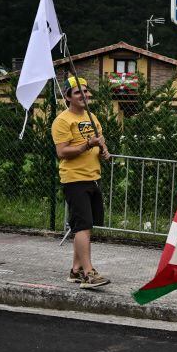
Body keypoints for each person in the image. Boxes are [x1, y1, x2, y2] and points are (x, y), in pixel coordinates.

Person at [51, 77, 111, 289]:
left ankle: (75, 270)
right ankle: (88, 274)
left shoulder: (92, 117)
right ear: (68, 97)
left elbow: (100, 141)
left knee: (86, 226)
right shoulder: (62, 121)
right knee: (82, 226)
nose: (84, 96)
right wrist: (88, 145)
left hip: (93, 177)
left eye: (86, 91)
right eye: (78, 93)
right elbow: (62, 152)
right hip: (75, 179)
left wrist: (104, 152)